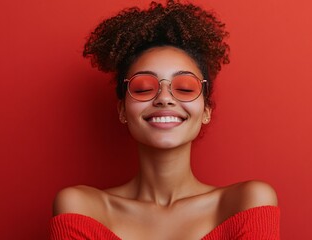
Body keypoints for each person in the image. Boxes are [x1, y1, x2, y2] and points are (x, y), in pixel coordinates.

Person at [49, 1, 279, 239]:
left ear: (206, 110)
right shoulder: (83, 209)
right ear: (122, 110)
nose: (164, 98)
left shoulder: (246, 203)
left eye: (185, 88)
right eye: (143, 88)